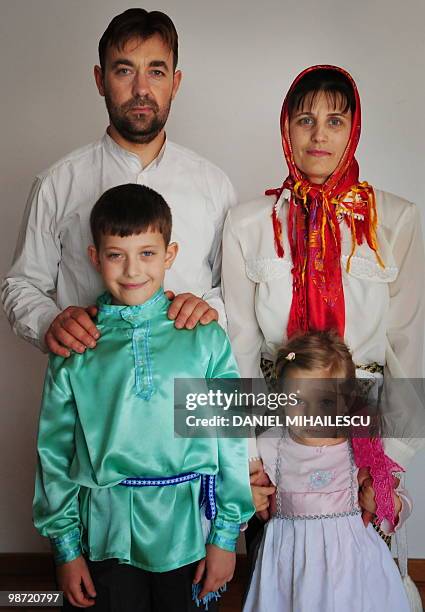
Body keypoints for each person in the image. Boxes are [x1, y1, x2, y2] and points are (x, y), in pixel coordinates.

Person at [33, 183, 254, 611]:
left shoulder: (203, 338)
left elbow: (229, 437)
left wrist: (225, 536)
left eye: (148, 253)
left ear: (170, 254)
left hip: (187, 534)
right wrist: (65, 549)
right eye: (116, 254)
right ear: (95, 257)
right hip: (103, 535)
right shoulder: (77, 347)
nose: (132, 269)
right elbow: (54, 453)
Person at [222, 65, 425, 472]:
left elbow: (409, 343)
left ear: (353, 129)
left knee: (356, 536)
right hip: (275, 430)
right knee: (283, 537)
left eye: (335, 120)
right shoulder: (247, 224)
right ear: (287, 130)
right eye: (305, 120)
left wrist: (392, 455)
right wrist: (248, 455)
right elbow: (238, 345)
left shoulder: (395, 219)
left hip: (365, 426)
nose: (319, 134)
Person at [2, 8, 236, 356]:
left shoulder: (214, 185)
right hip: (92, 389)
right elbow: (21, 284)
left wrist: (211, 308)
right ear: (100, 79)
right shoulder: (57, 183)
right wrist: (50, 321)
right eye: (124, 70)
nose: (141, 88)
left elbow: (234, 290)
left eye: (156, 71)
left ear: (176, 82)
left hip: (186, 391)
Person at [243, 331, 412, 612]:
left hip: (350, 565)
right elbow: (239, 491)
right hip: (288, 562)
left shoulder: (361, 444)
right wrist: (245, 498)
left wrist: (385, 501)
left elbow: (399, 498)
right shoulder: (270, 444)